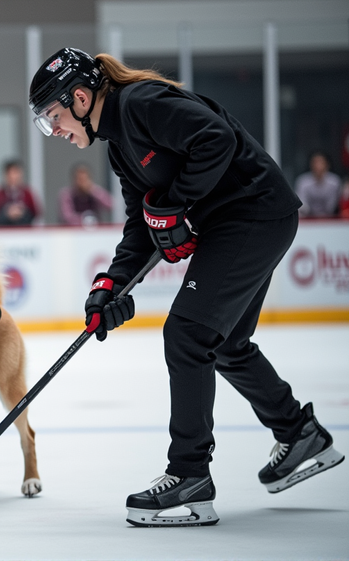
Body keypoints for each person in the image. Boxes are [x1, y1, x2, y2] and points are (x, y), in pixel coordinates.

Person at [29, 47, 343, 527]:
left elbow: (215, 139)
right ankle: (300, 433)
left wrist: (177, 204)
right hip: (244, 221)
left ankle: (190, 478)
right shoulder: (118, 145)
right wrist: (109, 284)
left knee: (187, 334)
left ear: (79, 97)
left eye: (54, 118)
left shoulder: (140, 102)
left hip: (254, 213)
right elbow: (142, 222)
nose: (56, 132)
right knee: (228, 343)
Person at [0, 159, 38, 226]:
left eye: (16, 173)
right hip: (3, 232)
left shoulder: (27, 193)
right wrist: (6, 214)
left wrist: (23, 212)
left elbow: (35, 212)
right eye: (11, 173)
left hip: (24, 232)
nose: (14, 177)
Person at [294, 151, 340, 218]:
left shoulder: (334, 182)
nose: (318, 166)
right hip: (307, 220)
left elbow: (332, 206)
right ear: (311, 165)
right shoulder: (303, 181)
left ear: (327, 165)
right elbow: (302, 205)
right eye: (315, 163)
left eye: (321, 163)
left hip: (330, 219)